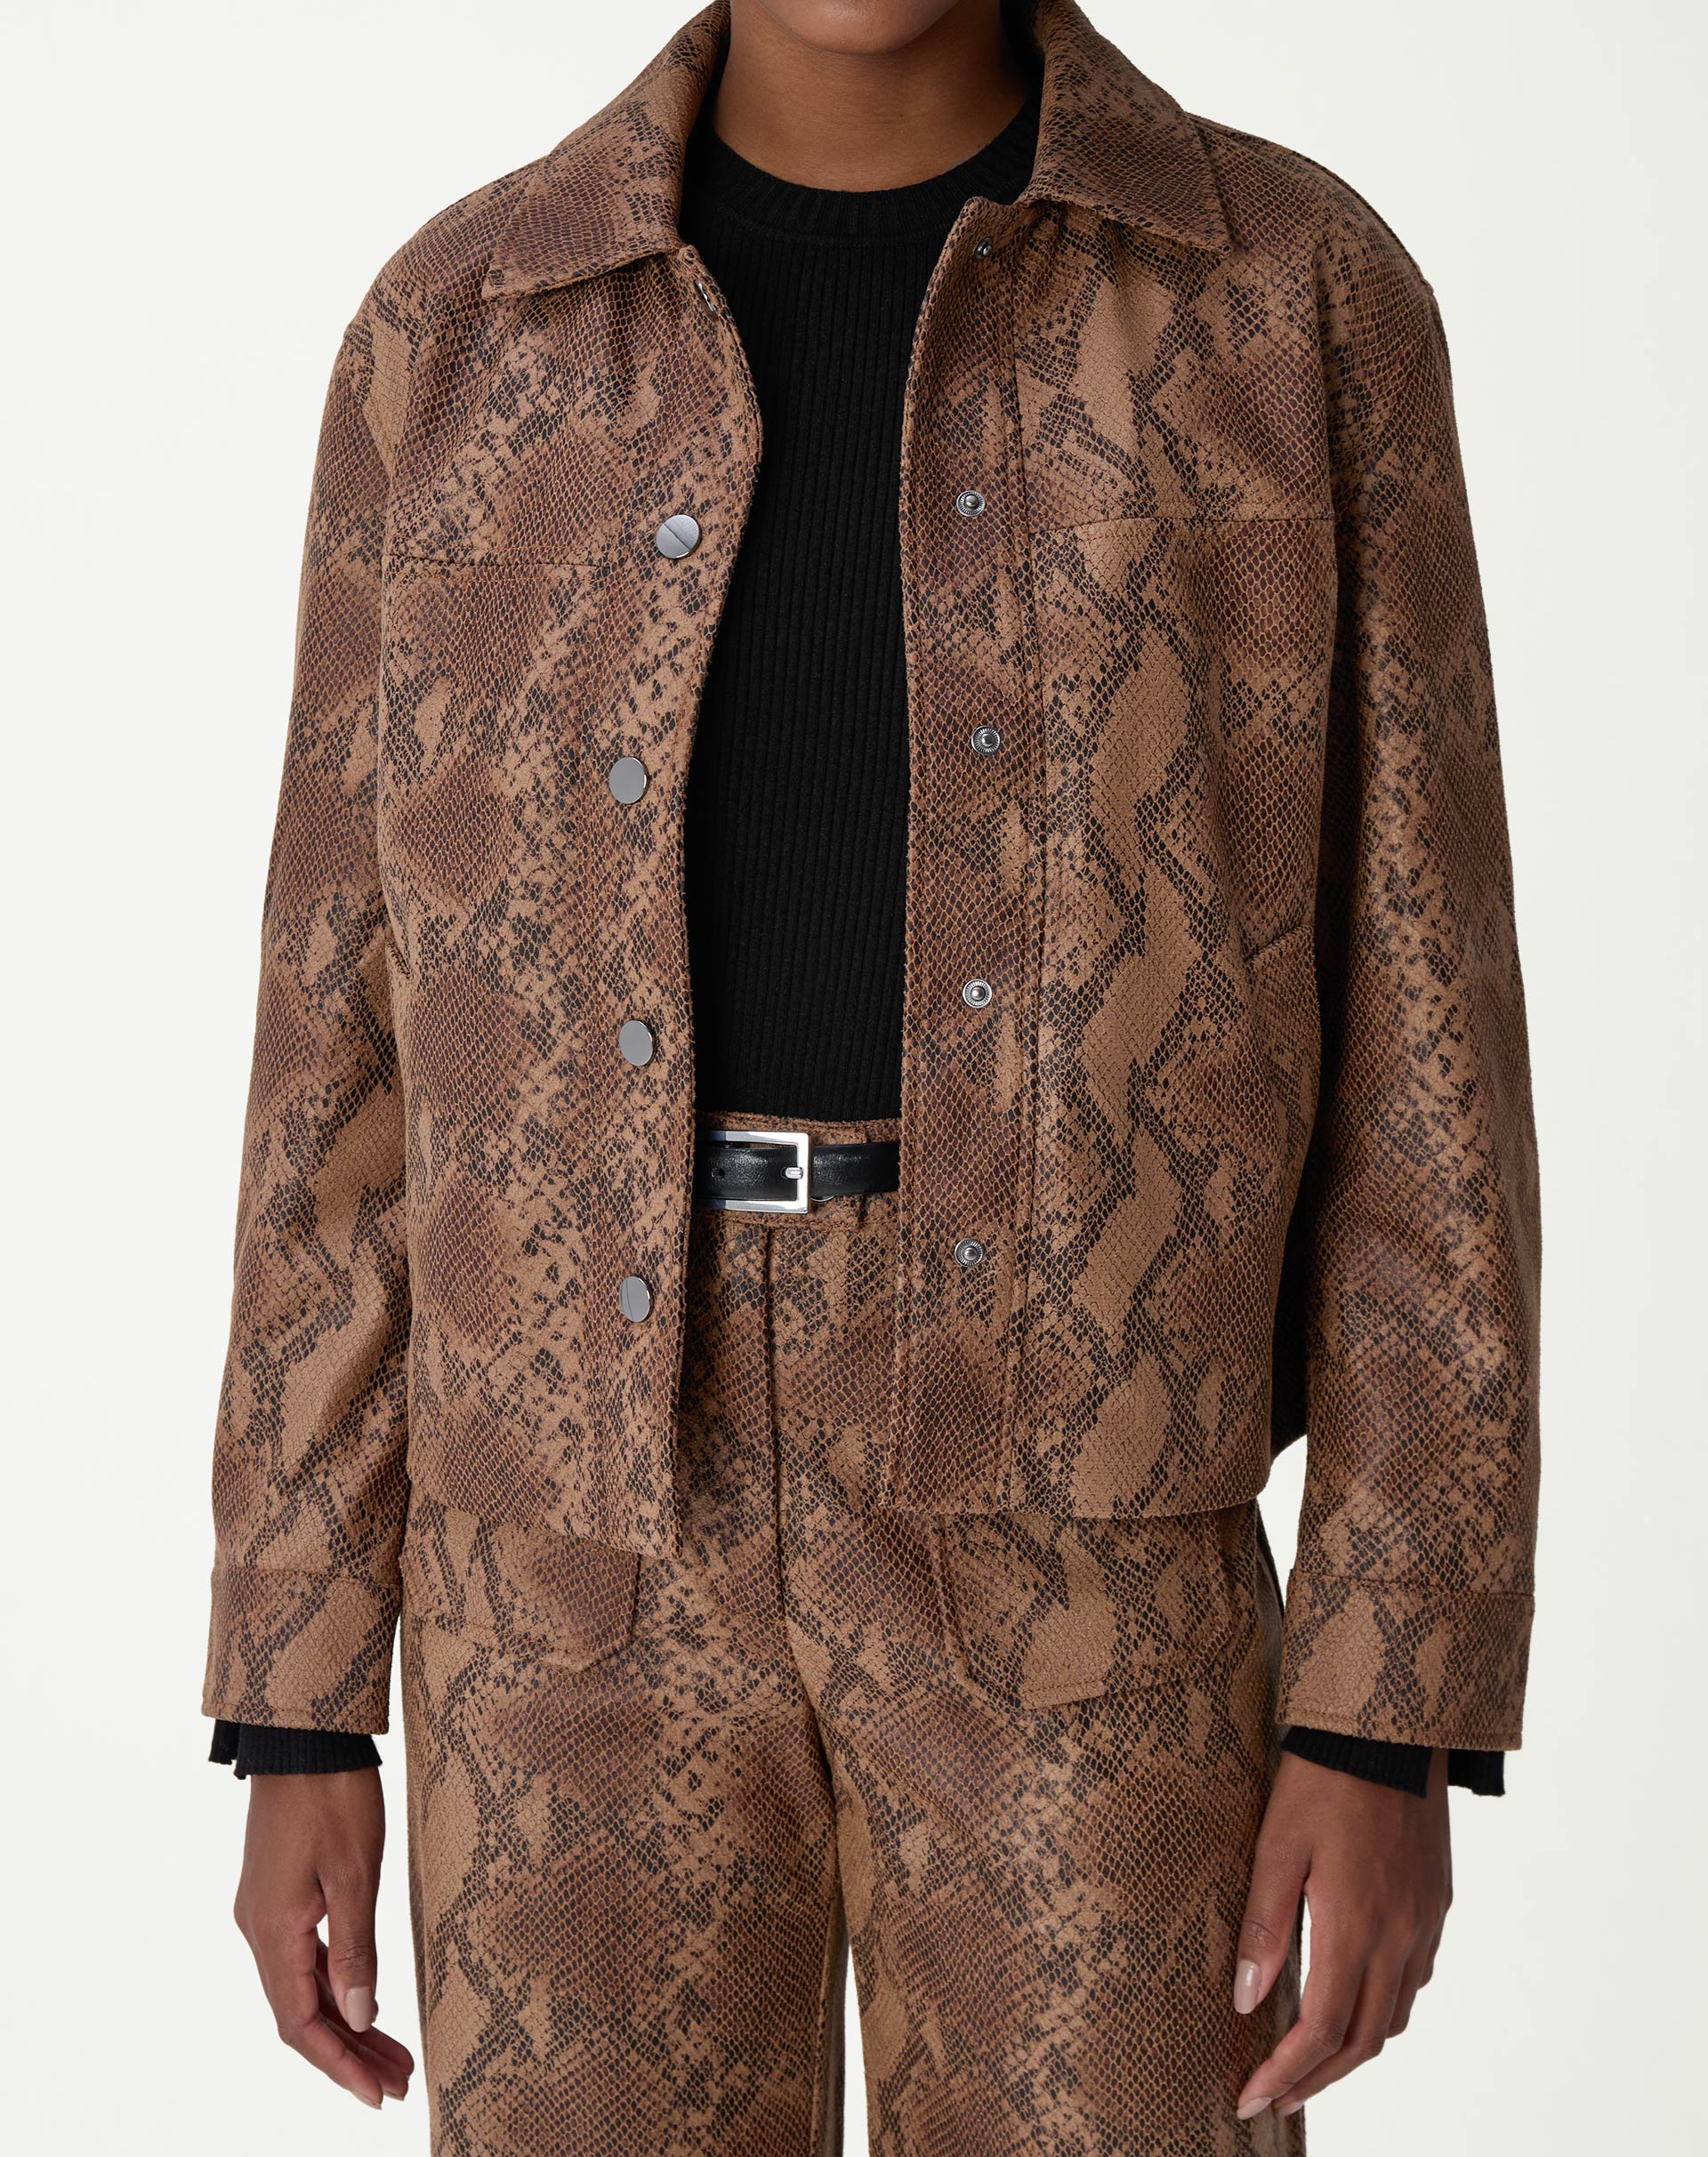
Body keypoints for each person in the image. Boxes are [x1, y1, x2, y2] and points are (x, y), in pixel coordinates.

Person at [202, 1, 1540, 2147]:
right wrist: (295, 1696)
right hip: (562, 1561)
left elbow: (1427, 1034)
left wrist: (1394, 1707)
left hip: (1093, 1532)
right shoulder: (463, 329)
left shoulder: (1286, 299)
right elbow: (337, 1040)